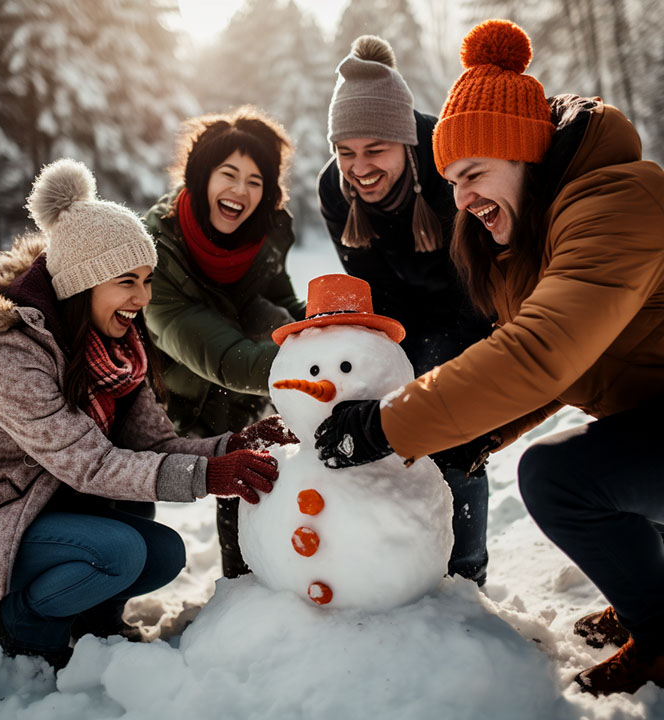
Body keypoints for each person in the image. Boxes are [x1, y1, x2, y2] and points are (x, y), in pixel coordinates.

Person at [314, 19, 664, 697]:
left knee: (559, 480)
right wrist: (488, 430)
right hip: (650, 408)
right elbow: (573, 363)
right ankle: (647, 598)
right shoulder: (533, 223)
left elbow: (540, 350)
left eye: (474, 173)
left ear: (524, 156)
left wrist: (384, 426)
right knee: (592, 467)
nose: (463, 198)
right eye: (452, 180)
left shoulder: (616, 203)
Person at [0, 158, 280, 669]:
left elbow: (153, 446)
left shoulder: (115, 348)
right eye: (128, 281)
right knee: (120, 552)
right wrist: (209, 476)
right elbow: (92, 465)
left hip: (51, 504)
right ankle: (13, 621)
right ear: (83, 283)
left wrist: (229, 447)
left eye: (147, 280)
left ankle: (88, 622)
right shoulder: (9, 355)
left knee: (164, 553)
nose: (142, 298)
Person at [317, 35, 493, 585]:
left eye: (375, 150)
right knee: (372, 409)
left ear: (406, 142)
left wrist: (431, 376)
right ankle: (391, 562)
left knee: (448, 425)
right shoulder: (334, 188)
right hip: (403, 322)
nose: (359, 167)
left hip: (475, 314)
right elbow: (370, 287)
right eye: (346, 151)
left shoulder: (451, 174)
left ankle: (466, 571)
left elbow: (480, 285)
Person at [143, 107, 305, 579]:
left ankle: (247, 581)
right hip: (165, 398)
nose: (240, 190)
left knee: (254, 462)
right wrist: (317, 371)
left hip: (235, 394)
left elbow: (280, 298)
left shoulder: (265, 233)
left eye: (255, 180)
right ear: (201, 177)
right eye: (228, 174)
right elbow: (222, 356)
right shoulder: (157, 252)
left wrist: (322, 330)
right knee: (124, 507)